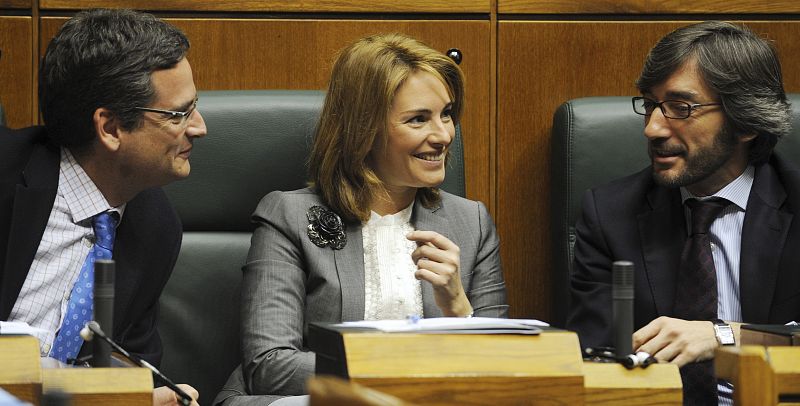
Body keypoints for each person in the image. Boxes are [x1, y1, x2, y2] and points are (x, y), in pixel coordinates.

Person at [214, 33, 508, 405]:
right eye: (418, 119)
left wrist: (459, 311)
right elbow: (270, 366)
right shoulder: (289, 216)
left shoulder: (472, 223)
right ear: (363, 129)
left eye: (446, 114)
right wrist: (400, 376)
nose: (443, 135)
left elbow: (500, 373)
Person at [567, 21, 800, 405]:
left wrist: (725, 335)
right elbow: (594, 354)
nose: (653, 128)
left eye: (680, 107)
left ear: (744, 122)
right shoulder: (609, 215)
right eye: (651, 105)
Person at [0, 9, 206, 405]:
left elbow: (128, 359)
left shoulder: (156, 225)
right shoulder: (5, 176)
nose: (199, 127)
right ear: (110, 128)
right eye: (179, 113)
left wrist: (142, 397)